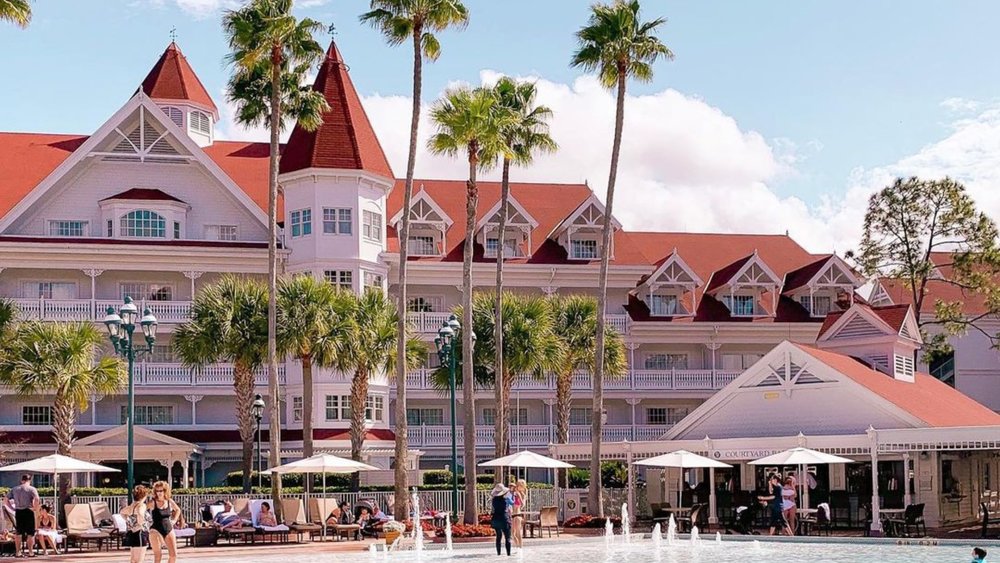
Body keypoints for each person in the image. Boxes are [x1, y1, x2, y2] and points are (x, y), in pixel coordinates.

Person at [5, 474, 39, 558]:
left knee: (19, 532)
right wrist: (34, 508)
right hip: (28, 511)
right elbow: (37, 499)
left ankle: (18, 552)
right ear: (29, 480)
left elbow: (5, 500)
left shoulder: (14, 489)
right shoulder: (32, 489)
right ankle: (30, 552)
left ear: (22, 480)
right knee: (30, 533)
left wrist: (12, 509)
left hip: (19, 511)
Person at [146, 480, 180, 563]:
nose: (159, 493)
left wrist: (174, 520)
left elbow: (178, 510)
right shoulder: (152, 502)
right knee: (158, 556)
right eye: (157, 491)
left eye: (161, 490)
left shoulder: (169, 501)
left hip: (168, 527)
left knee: (173, 555)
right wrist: (146, 522)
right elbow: (142, 510)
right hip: (155, 529)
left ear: (165, 491)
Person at [121, 485, 151, 563]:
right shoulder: (142, 505)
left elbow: (122, 512)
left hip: (132, 533)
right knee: (139, 560)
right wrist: (140, 523)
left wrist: (129, 521)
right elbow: (140, 513)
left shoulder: (131, 506)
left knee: (133, 560)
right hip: (140, 533)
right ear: (144, 495)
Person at [490, 483, 512, 557]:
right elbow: (512, 504)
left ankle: (498, 553)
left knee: (498, 537)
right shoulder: (506, 500)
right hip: (504, 519)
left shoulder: (494, 500)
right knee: (507, 537)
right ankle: (508, 554)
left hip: (496, 519)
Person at [511, 479, 527, 549]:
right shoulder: (515, 494)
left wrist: (520, 498)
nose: (517, 486)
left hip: (517, 514)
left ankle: (520, 547)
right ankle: (518, 546)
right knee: (512, 533)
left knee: (518, 532)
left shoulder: (520, 494)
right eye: (517, 485)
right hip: (513, 515)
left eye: (519, 485)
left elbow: (522, 504)